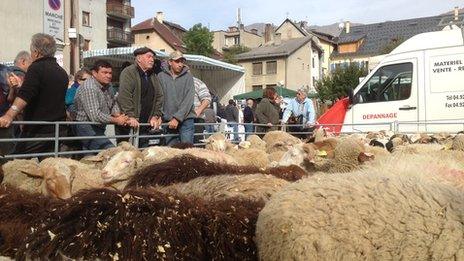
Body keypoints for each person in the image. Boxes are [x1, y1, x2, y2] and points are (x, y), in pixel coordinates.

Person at [0, 33, 68, 156]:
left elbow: (25, 96)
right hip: (58, 129)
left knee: (17, 163)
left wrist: (9, 115)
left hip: (38, 130)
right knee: (47, 167)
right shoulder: (62, 72)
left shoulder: (36, 68)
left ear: (36, 52)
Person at [74, 60, 128, 151]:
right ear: (94, 73)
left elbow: (112, 102)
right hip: (86, 126)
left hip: (99, 126)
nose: (108, 75)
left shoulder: (108, 85)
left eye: (110, 73)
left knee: (91, 157)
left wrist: (119, 115)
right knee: (110, 151)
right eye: (104, 72)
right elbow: (95, 115)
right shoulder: (89, 88)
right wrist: (117, 120)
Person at [117, 47, 164, 147]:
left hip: (146, 124)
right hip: (130, 123)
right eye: (149, 57)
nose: (152, 60)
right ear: (139, 58)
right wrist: (130, 116)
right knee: (127, 153)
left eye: (153, 57)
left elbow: (159, 96)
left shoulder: (153, 75)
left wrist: (155, 115)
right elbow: (125, 96)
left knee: (144, 152)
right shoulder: (128, 72)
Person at [158, 51, 195, 146]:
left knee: (187, 151)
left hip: (186, 119)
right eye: (177, 61)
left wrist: (177, 118)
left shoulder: (188, 77)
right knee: (171, 152)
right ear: (170, 62)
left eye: (182, 61)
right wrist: (158, 115)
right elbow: (159, 97)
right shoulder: (161, 76)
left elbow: (189, 99)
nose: (180, 64)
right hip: (168, 119)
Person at [193, 77, 212, 143]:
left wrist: (198, 111)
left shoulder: (197, 82)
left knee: (196, 143)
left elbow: (207, 99)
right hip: (177, 118)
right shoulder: (172, 81)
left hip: (196, 119)